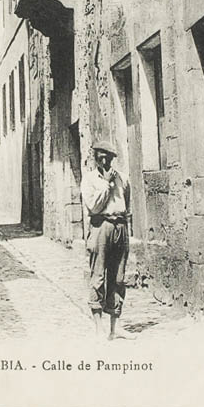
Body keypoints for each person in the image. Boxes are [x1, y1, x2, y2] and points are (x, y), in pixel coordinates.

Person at [81, 141, 135, 340]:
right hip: (100, 226)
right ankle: (99, 329)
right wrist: (106, 184)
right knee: (98, 277)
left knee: (118, 278)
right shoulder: (89, 180)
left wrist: (123, 224)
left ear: (112, 159)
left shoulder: (123, 178)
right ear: (95, 158)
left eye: (108, 158)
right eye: (101, 158)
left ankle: (115, 327)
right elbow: (94, 207)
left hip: (120, 226)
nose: (105, 162)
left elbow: (126, 204)